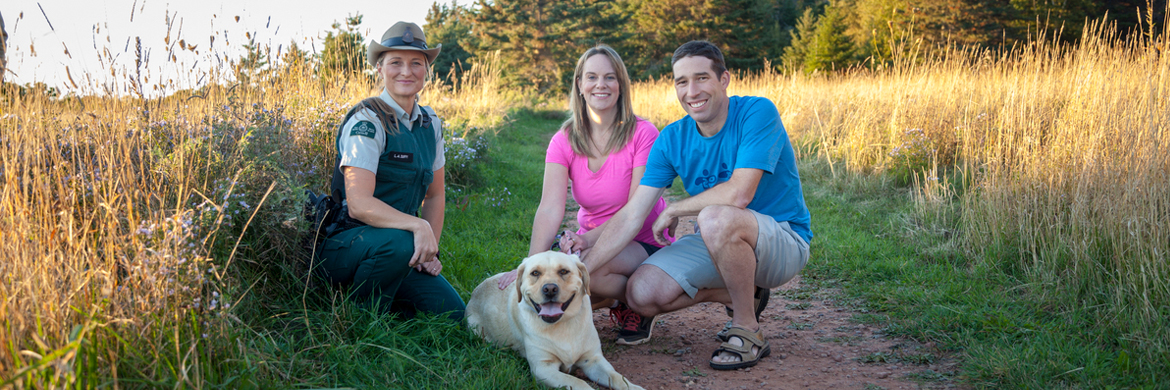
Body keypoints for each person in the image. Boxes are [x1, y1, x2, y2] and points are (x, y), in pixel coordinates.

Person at [581, 41, 811, 370]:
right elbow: (634, 213)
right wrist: (581, 271)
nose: (692, 91)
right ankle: (746, 292)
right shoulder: (672, 139)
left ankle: (747, 329)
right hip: (719, 239)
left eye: (702, 78)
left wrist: (675, 209)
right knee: (641, 294)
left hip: (783, 241)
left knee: (715, 217)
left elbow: (739, 194)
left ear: (724, 80)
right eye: (682, 82)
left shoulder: (757, 113)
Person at [496, 45, 672, 346]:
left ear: (621, 85)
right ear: (579, 84)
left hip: (642, 237)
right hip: (591, 237)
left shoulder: (644, 134)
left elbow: (635, 210)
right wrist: (527, 265)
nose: (600, 85)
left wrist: (587, 241)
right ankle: (623, 300)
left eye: (610, 77)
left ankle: (641, 299)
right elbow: (550, 207)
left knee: (583, 270)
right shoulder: (563, 139)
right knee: (569, 271)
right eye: (591, 77)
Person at [314, 22, 464, 322]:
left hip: (399, 245)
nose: (406, 72)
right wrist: (418, 229)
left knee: (453, 314)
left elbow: (435, 195)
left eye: (416, 63)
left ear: (427, 71)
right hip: (348, 243)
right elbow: (359, 203)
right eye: (395, 62)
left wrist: (429, 249)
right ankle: (358, 316)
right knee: (400, 243)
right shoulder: (367, 121)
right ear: (379, 69)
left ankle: (391, 296)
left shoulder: (429, 124)